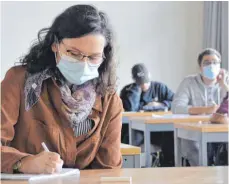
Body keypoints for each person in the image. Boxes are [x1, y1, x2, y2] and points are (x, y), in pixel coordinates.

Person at [1, 5, 123, 174]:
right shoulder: (19, 81)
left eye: (93, 57)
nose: (83, 63)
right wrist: (24, 163)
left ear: (103, 56)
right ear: (55, 45)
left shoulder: (109, 100)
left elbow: (109, 171)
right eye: (74, 53)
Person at [172, 48, 228, 166]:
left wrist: (224, 85)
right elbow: (177, 107)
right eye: (207, 63)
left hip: (220, 132)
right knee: (195, 151)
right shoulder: (189, 82)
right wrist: (206, 110)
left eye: (215, 62)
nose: (211, 66)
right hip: (193, 134)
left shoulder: (225, 82)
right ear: (200, 67)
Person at [120, 63, 174, 166]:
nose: (144, 85)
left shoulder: (160, 87)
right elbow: (131, 109)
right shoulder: (128, 91)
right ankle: (128, 164)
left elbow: (175, 101)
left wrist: (160, 104)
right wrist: (136, 91)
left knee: (170, 136)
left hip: (159, 129)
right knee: (131, 138)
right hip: (136, 129)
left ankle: (167, 163)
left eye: (146, 81)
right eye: (140, 82)